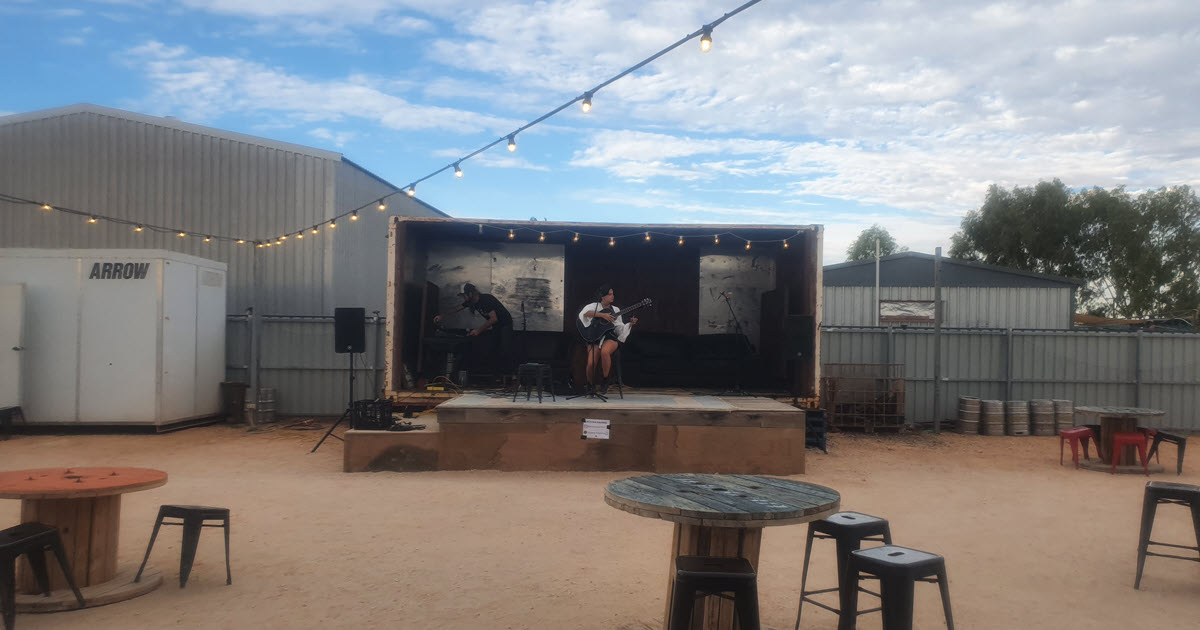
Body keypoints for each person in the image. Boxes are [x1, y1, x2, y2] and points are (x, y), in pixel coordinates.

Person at [434, 283, 513, 383]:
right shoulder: (472, 302)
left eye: (464, 295)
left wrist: (478, 330)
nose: (464, 298)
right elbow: (458, 308)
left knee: (504, 349)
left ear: (470, 294)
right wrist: (442, 316)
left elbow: (494, 319)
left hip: (505, 325)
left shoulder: (485, 300)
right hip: (497, 327)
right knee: (493, 349)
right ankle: (496, 376)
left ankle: (506, 376)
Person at [577, 284, 638, 394]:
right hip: (594, 337)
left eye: (613, 294)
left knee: (605, 352)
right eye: (610, 294)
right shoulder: (594, 306)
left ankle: (605, 381)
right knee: (591, 363)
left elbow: (619, 328)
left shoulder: (615, 310)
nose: (612, 296)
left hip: (609, 337)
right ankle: (590, 385)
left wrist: (630, 324)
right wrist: (602, 315)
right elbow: (585, 314)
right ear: (603, 296)